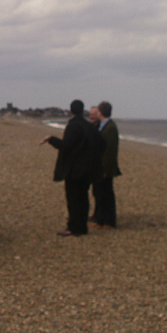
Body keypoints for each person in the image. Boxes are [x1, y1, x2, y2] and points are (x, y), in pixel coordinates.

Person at [39, 99, 105, 237]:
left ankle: (75, 228)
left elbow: (66, 146)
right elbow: (101, 144)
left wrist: (51, 139)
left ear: (71, 111)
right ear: (82, 110)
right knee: (83, 198)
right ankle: (81, 227)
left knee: (74, 199)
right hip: (87, 169)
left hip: (75, 170)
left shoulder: (73, 126)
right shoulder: (90, 126)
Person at [89, 101, 122, 229]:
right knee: (99, 193)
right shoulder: (102, 125)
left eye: (96, 112)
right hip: (98, 167)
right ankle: (100, 219)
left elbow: (110, 151)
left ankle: (109, 221)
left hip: (105, 168)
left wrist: (106, 169)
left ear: (100, 112)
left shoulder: (110, 127)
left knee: (107, 194)